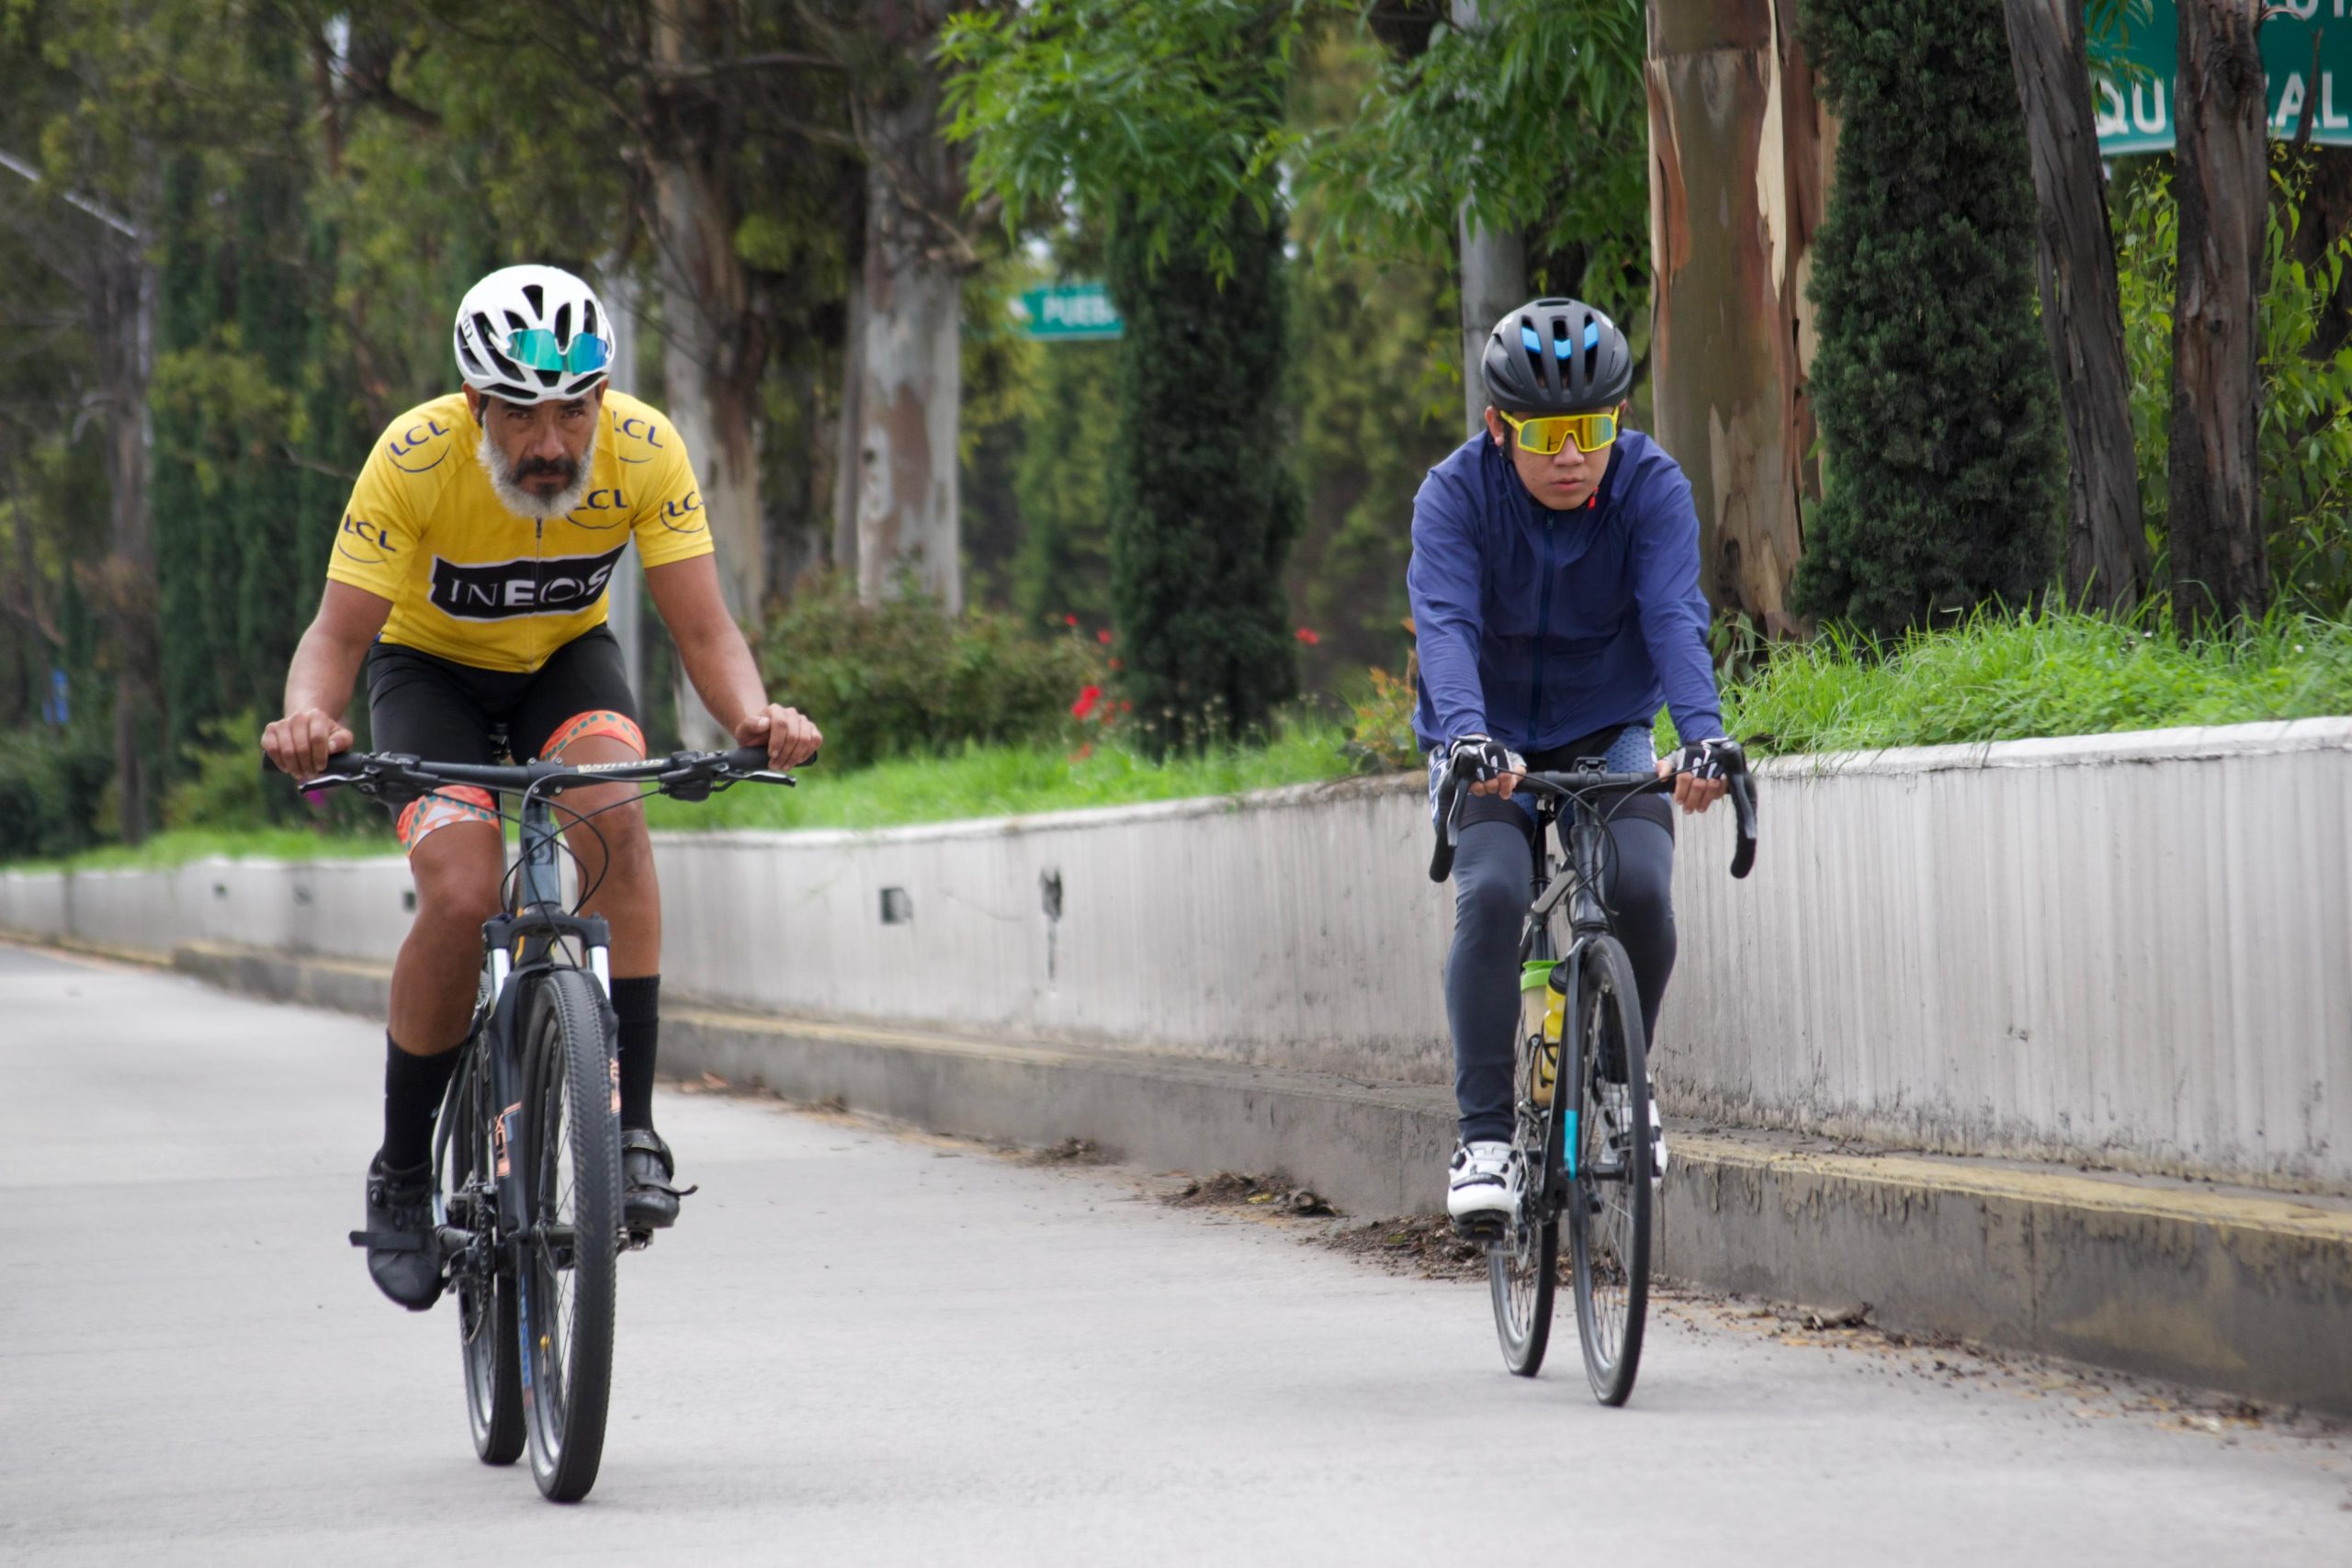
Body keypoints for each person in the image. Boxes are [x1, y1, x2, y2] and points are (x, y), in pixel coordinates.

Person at [260, 265, 822, 1310]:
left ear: (602, 397)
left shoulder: (647, 448)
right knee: (463, 892)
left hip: (565, 664)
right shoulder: (413, 457)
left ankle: (633, 1129)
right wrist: (310, 719)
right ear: (475, 403)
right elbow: (336, 636)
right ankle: (403, 1168)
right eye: (521, 414)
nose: (551, 443)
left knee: (614, 818)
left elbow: (705, 629)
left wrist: (754, 717)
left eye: (573, 410)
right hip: (429, 676)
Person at [1408, 296, 1732, 1229]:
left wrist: (1702, 734)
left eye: (1590, 431)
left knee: (1640, 885)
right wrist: (1466, 735)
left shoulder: (1650, 486)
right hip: (1485, 736)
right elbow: (1445, 623)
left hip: (1605, 724)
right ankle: (1484, 1139)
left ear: (1618, 419)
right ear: (1497, 426)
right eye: (1546, 436)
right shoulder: (1453, 496)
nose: (1570, 457)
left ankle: (1624, 1085)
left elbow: (1673, 614)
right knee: (1494, 893)